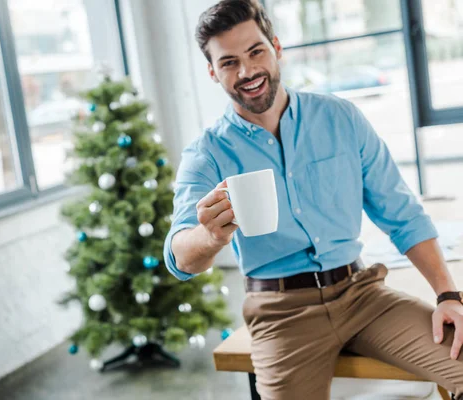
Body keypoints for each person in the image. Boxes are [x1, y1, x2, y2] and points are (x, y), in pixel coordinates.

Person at [162, 1, 463, 398]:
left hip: (363, 294)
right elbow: (179, 258)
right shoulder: (207, 153)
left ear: (276, 47)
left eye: (256, 52)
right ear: (212, 72)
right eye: (229, 62)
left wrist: (448, 295)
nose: (248, 71)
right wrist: (210, 237)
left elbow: (402, 214)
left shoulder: (341, 119)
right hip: (281, 313)